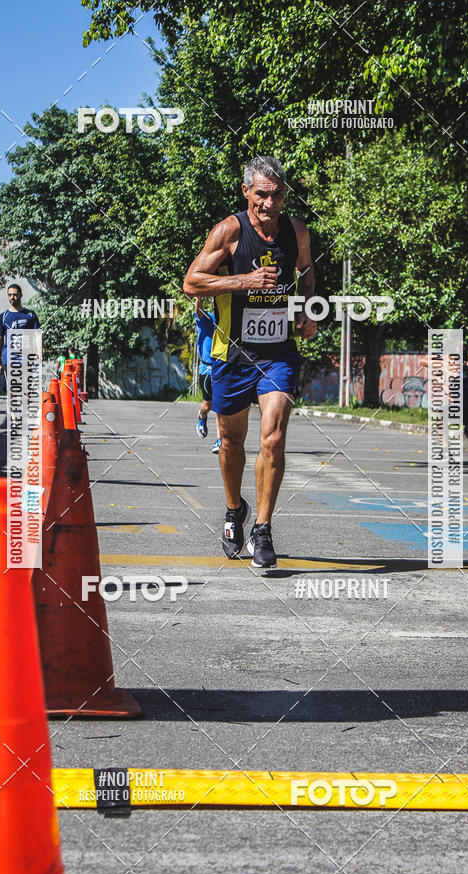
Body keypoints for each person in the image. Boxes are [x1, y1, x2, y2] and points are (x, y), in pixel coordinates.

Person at [183, 155, 316, 567]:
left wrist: (308, 311)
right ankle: (233, 510)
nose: (268, 204)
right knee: (233, 443)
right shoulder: (229, 231)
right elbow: (192, 282)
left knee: (273, 438)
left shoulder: (296, 233)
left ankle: (262, 529)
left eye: (276, 195)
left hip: (277, 354)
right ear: (246, 192)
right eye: (261, 194)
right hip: (232, 354)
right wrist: (244, 281)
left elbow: (307, 273)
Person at [0, 283, 40, 385]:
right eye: (10, 295)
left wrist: (38, 352)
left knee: (26, 391)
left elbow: (37, 335)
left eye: (15, 294)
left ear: (21, 295)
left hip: (27, 358)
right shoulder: (3, 317)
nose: (12, 297)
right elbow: (0, 340)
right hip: (9, 358)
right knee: (13, 392)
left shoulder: (30, 315)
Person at [194, 298, 221, 453]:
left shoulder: (228, 322)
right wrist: (199, 298)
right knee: (208, 405)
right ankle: (202, 417)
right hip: (206, 369)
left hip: (222, 368)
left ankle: (219, 440)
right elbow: (198, 311)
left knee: (220, 407)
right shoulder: (207, 319)